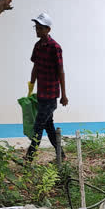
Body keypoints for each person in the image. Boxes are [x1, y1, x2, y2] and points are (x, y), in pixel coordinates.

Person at [26, 12, 68, 162]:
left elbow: (61, 71)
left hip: (51, 94)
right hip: (41, 93)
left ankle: (29, 158)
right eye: (36, 28)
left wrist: (64, 95)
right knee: (49, 126)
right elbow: (35, 67)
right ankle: (61, 155)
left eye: (40, 28)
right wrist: (31, 88)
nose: (37, 31)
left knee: (38, 125)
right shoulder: (37, 46)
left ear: (48, 30)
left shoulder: (55, 47)